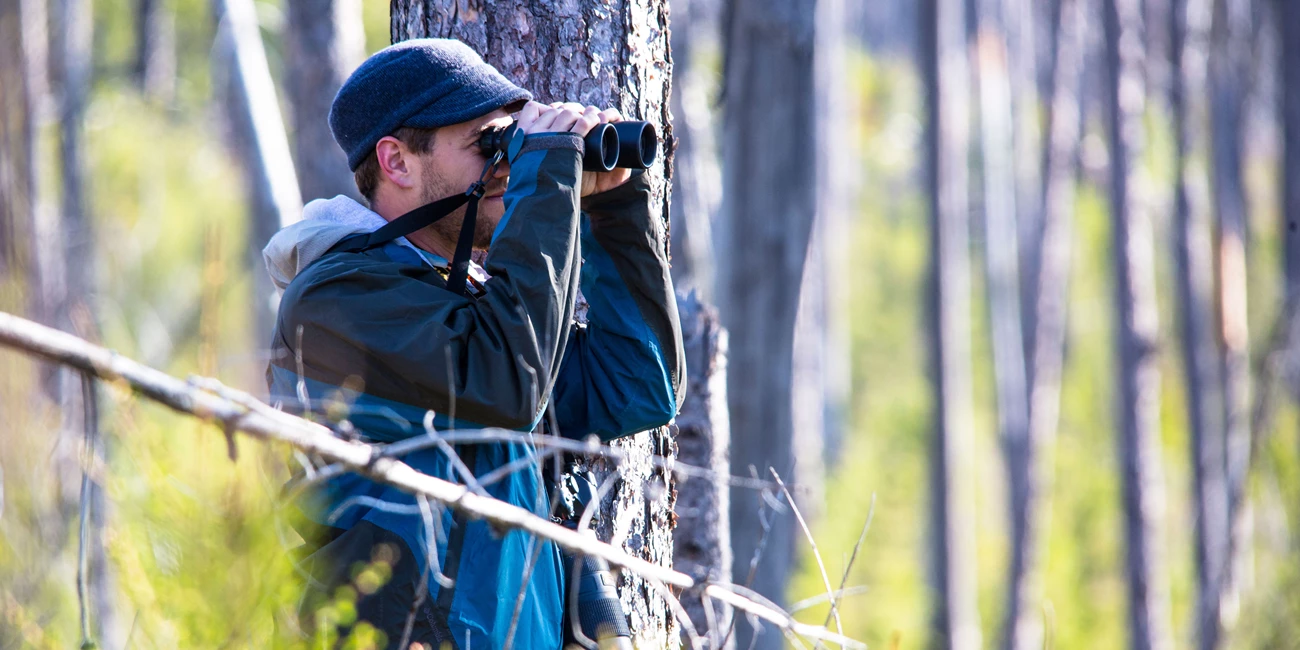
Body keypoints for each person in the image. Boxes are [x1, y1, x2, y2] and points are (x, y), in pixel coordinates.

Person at [262, 38, 685, 649]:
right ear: (398, 161)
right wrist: (545, 175)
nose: (507, 167)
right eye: (488, 145)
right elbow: (508, 387)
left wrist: (616, 208)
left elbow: (637, 386)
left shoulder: (474, 307)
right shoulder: (337, 297)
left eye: (510, 144)